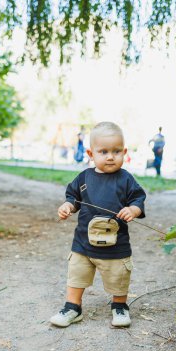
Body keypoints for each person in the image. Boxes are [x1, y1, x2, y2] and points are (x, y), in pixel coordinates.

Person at [50, 122, 146, 328]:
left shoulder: (126, 179)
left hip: (116, 244)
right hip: (83, 243)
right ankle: (73, 307)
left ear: (125, 152)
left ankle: (119, 306)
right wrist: (67, 206)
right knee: (77, 273)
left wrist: (133, 210)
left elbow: (138, 199)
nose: (110, 156)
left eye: (116, 151)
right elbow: (73, 198)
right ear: (90, 153)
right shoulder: (84, 177)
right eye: (103, 152)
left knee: (118, 275)